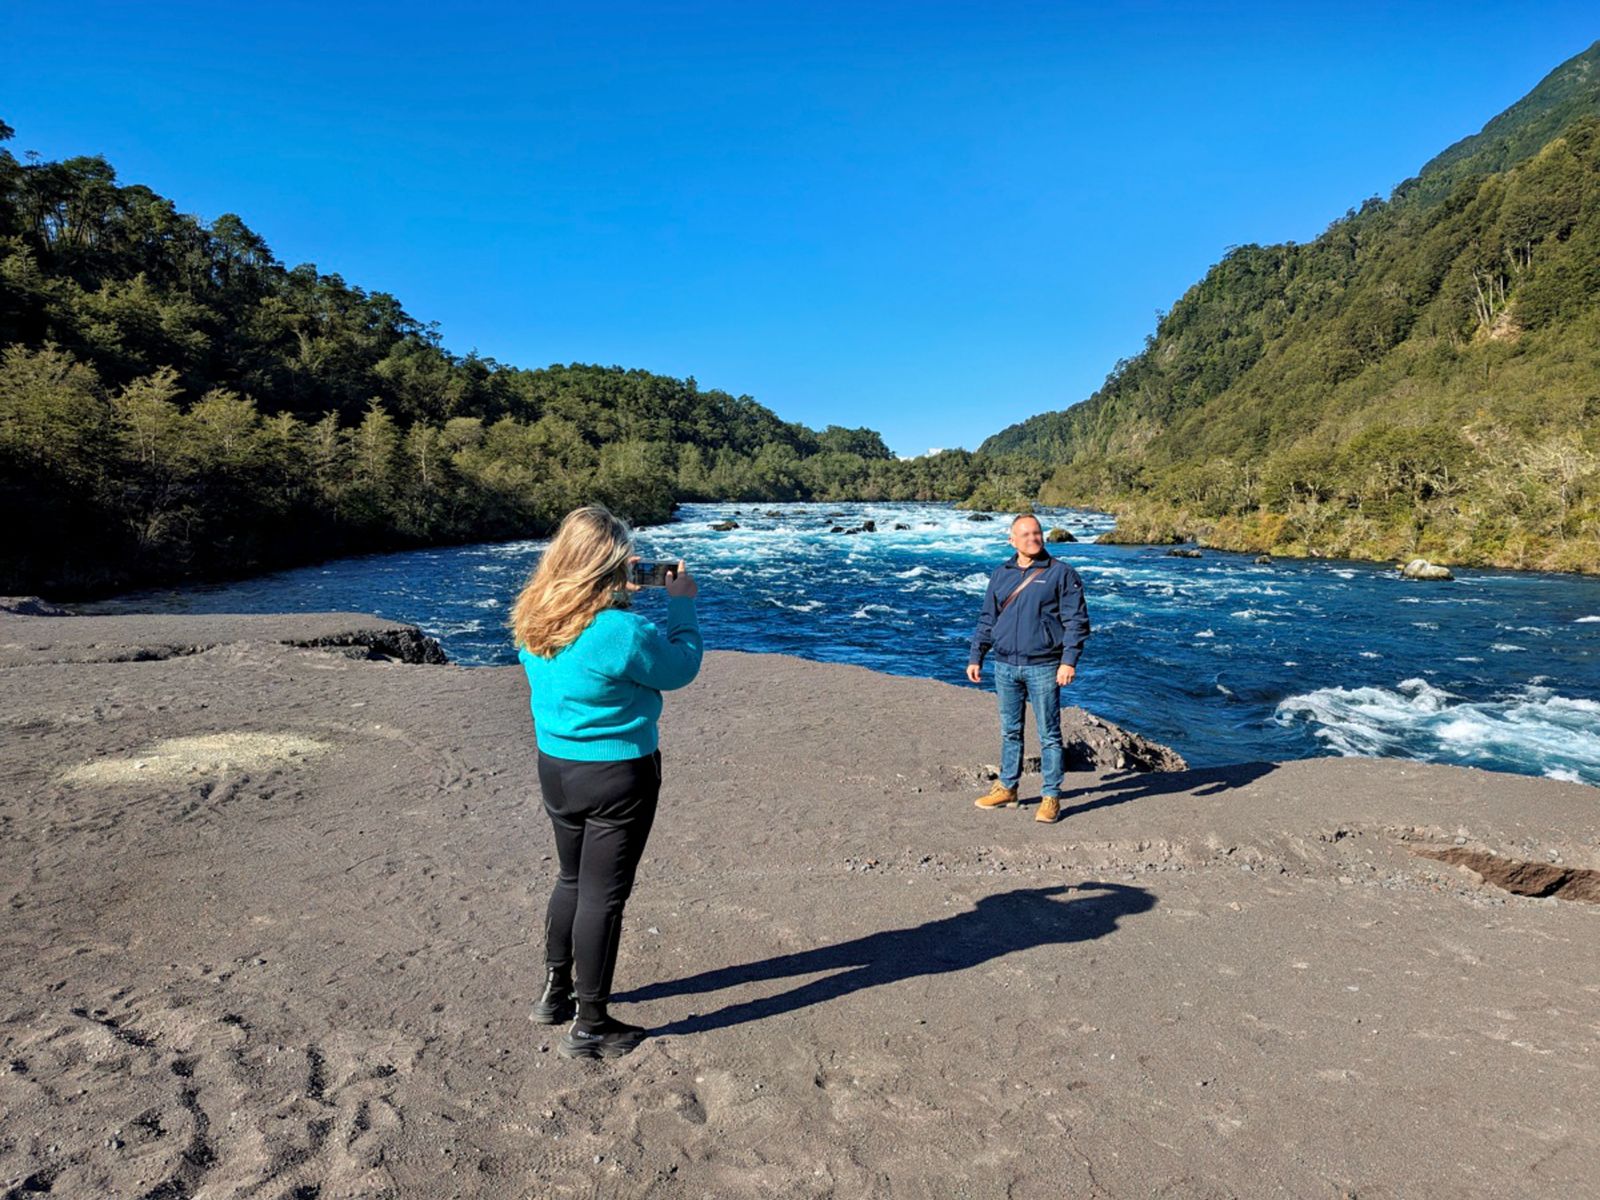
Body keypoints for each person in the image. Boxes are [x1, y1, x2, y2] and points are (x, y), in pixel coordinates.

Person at [510, 505, 702, 1059]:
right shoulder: (620, 629)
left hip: (557, 766)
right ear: (610, 564)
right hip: (618, 772)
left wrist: (612, 589)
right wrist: (681, 604)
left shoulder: (535, 614)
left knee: (571, 880)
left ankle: (555, 992)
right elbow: (680, 667)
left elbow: (585, 651)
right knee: (604, 897)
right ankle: (591, 1024)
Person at [965, 513, 1090, 824]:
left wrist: (1068, 661)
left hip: (1045, 665)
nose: (1033, 539)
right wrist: (975, 655)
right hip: (1005, 664)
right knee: (1010, 731)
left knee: (1049, 734)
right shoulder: (1000, 574)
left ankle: (1051, 797)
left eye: (1037, 533)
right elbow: (987, 619)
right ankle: (1007, 787)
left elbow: (1077, 622)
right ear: (1012, 540)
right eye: (1025, 535)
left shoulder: (1061, 573)